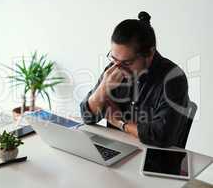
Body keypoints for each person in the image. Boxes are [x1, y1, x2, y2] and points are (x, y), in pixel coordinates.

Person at [80, 11, 190, 148]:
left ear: (150, 53)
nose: (118, 67)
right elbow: (87, 116)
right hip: (118, 148)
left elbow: (161, 136)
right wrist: (102, 88)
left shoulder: (173, 78)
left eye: (127, 63)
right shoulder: (115, 69)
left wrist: (120, 123)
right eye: (114, 59)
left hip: (155, 159)